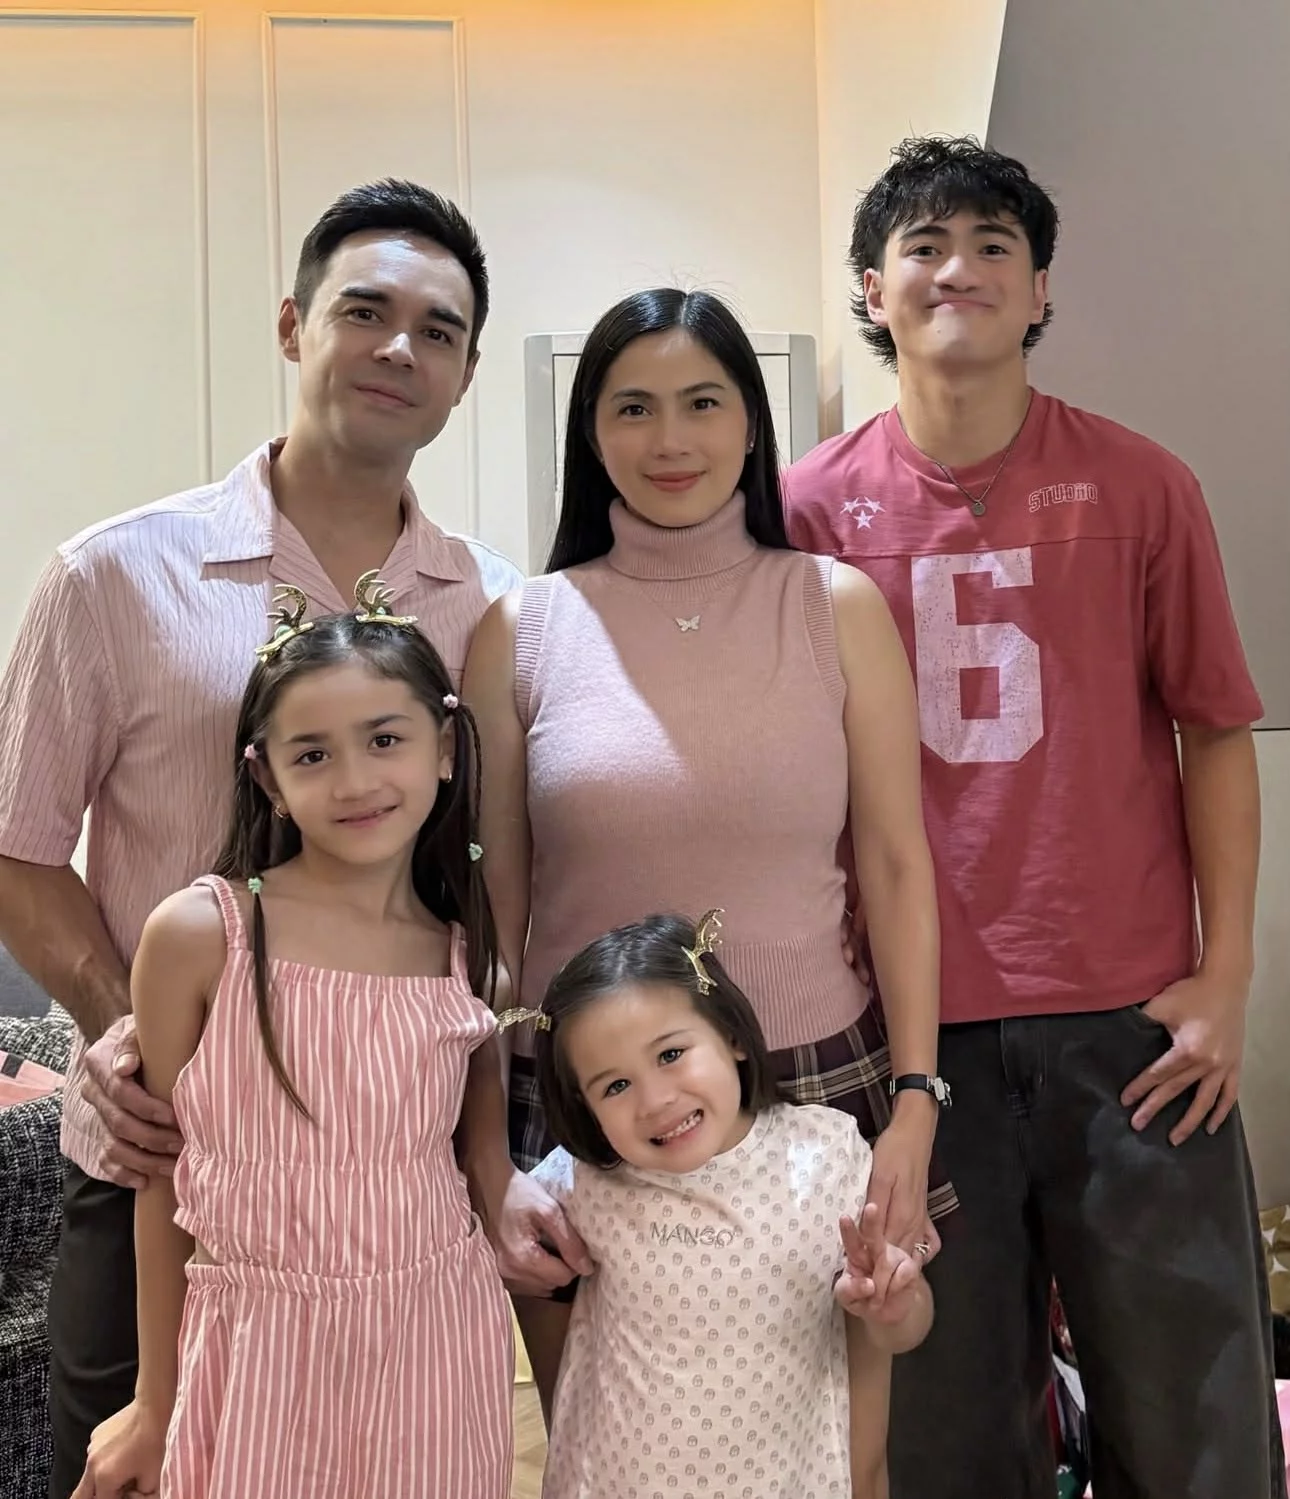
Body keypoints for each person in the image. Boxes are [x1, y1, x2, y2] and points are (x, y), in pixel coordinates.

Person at [0, 178, 575, 1499]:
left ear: (464, 375)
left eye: (438, 331)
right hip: (162, 1171)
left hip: (397, 1197)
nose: (398, 347)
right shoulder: (115, 576)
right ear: (290, 325)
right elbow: (18, 845)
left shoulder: (498, 610)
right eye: (363, 311)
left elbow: (500, 879)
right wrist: (138, 1034)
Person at [784, 135, 1284, 1499]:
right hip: (907, 1033)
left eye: (993, 245)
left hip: (1131, 1023)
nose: (959, 268)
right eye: (924, 246)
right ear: (872, 290)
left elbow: (1214, 728)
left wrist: (1226, 972)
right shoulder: (805, 510)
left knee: (1194, 1415)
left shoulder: (1142, 485)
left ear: (1041, 288)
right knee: (945, 1426)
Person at [464, 286, 951, 1485]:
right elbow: (491, 924)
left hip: (819, 1080)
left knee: (842, 1456)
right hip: (590, 1103)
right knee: (602, 1447)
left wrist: (916, 1097)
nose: (669, 438)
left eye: (702, 401)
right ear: (591, 430)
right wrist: (488, 1154)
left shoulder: (834, 604)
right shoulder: (522, 627)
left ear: (751, 422)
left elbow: (896, 865)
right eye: (632, 407)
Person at [71, 581, 513, 1499]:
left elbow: (477, 1161)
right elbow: (161, 1174)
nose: (354, 781)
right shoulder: (202, 934)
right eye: (312, 754)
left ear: (444, 747)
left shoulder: (464, 956)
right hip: (256, 1348)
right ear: (269, 778)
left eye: (385, 739)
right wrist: (154, 1401)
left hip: (434, 1342)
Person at [511, 910, 933, 1499]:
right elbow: (502, 1237)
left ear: (731, 1035)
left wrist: (895, 1304)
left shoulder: (828, 1155)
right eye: (615, 1085)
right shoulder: (584, 1182)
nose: (655, 1101)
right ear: (584, 1105)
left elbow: (907, 1325)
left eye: (669, 1055)